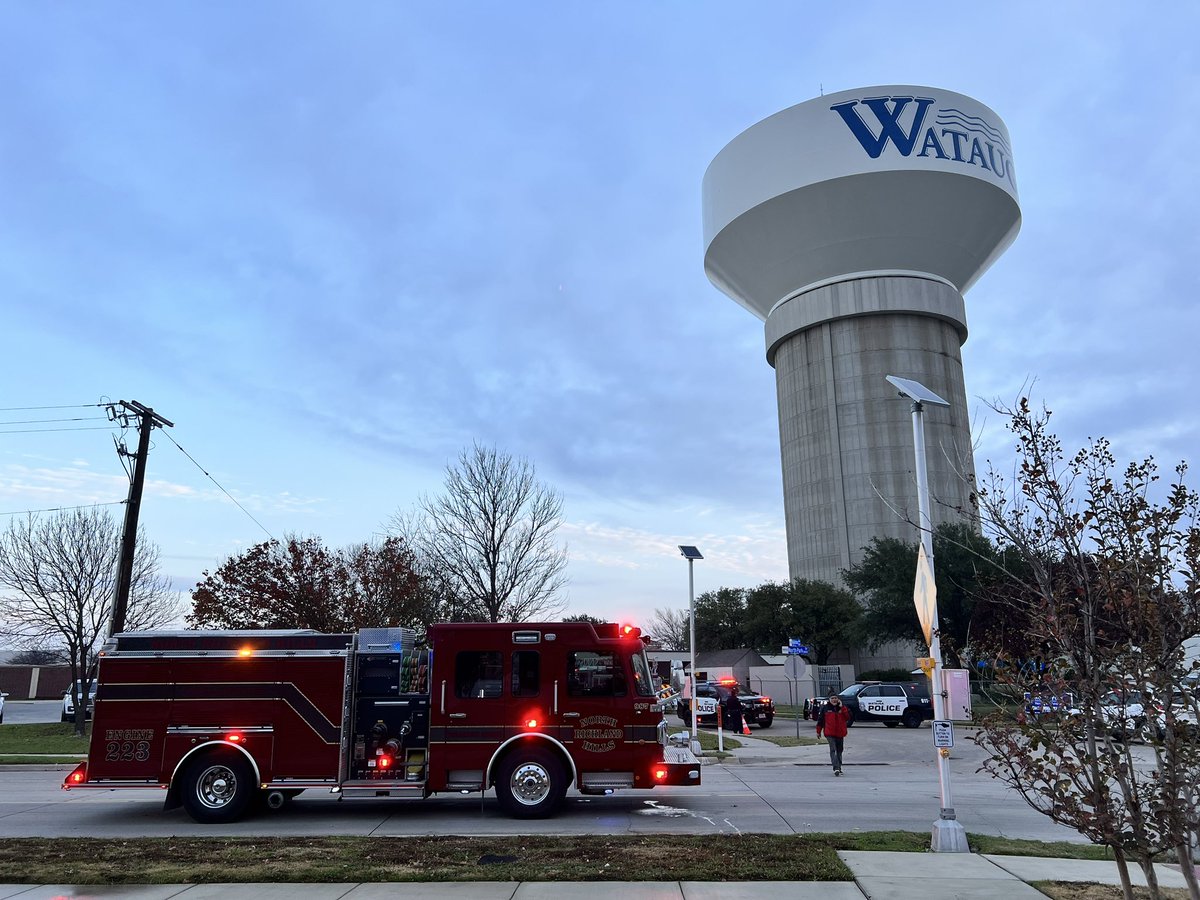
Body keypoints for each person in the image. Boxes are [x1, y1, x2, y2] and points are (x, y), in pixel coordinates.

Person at [815, 692, 852, 775]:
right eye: (832, 698)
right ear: (829, 699)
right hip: (829, 732)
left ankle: (839, 766)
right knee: (833, 749)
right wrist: (818, 731)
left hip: (840, 732)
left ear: (838, 699)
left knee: (839, 750)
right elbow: (820, 720)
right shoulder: (825, 708)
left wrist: (842, 708)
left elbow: (848, 717)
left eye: (835, 698)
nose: (834, 700)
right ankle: (836, 768)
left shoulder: (843, 708)